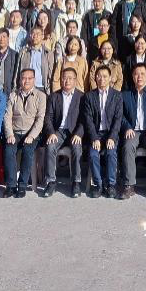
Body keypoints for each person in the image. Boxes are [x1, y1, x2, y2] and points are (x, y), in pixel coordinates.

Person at [119, 63, 146, 199]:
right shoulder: (125, 94)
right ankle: (129, 185)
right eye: (136, 74)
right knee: (127, 146)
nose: (139, 77)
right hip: (133, 130)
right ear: (132, 76)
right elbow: (120, 115)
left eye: (142, 74)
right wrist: (127, 127)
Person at [2, 68, 47, 198]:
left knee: (28, 150)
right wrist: (9, 134)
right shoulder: (13, 95)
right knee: (9, 150)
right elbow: (7, 117)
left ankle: (22, 185)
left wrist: (31, 136)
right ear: (19, 80)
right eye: (23, 78)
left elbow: (40, 119)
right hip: (15, 132)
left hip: (32, 133)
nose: (26, 81)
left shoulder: (41, 96)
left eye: (29, 78)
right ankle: (11, 185)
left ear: (34, 80)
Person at [42, 67, 85, 197]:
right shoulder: (54, 96)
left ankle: (76, 182)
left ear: (75, 80)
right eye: (64, 78)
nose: (67, 81)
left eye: (70, 78)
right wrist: (51, 132)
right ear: (61, 80)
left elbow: (85, 119)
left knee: (76, 148)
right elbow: (48, 117)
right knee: (50, 146)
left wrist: (79, 134)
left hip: (74, 132)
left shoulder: (82, 97)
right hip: (59, 131)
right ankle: (51, 182)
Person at [83, 65, 123, 198]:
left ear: (110, 78)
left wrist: (112, 137)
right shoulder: (89, 96)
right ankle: (99, 184)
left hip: (110, 133)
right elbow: (88, 119)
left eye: (105, 76)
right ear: (95, 78)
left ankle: (111, 185)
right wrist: (94, 138)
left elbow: (118, 119)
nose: (102, 79)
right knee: (93, 154)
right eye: (99, 76)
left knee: (111, 153)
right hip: (96, 133)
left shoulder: (117, 95)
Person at [19, 25, 55, 95]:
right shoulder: (24, 52)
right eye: (33, 34)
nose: (35, 36)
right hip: (26, 87)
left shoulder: (48, 53)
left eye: (38, 34)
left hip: (42, 88)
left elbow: (51, 73)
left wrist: (50, 88)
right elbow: (18, 71)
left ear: (42, 36)